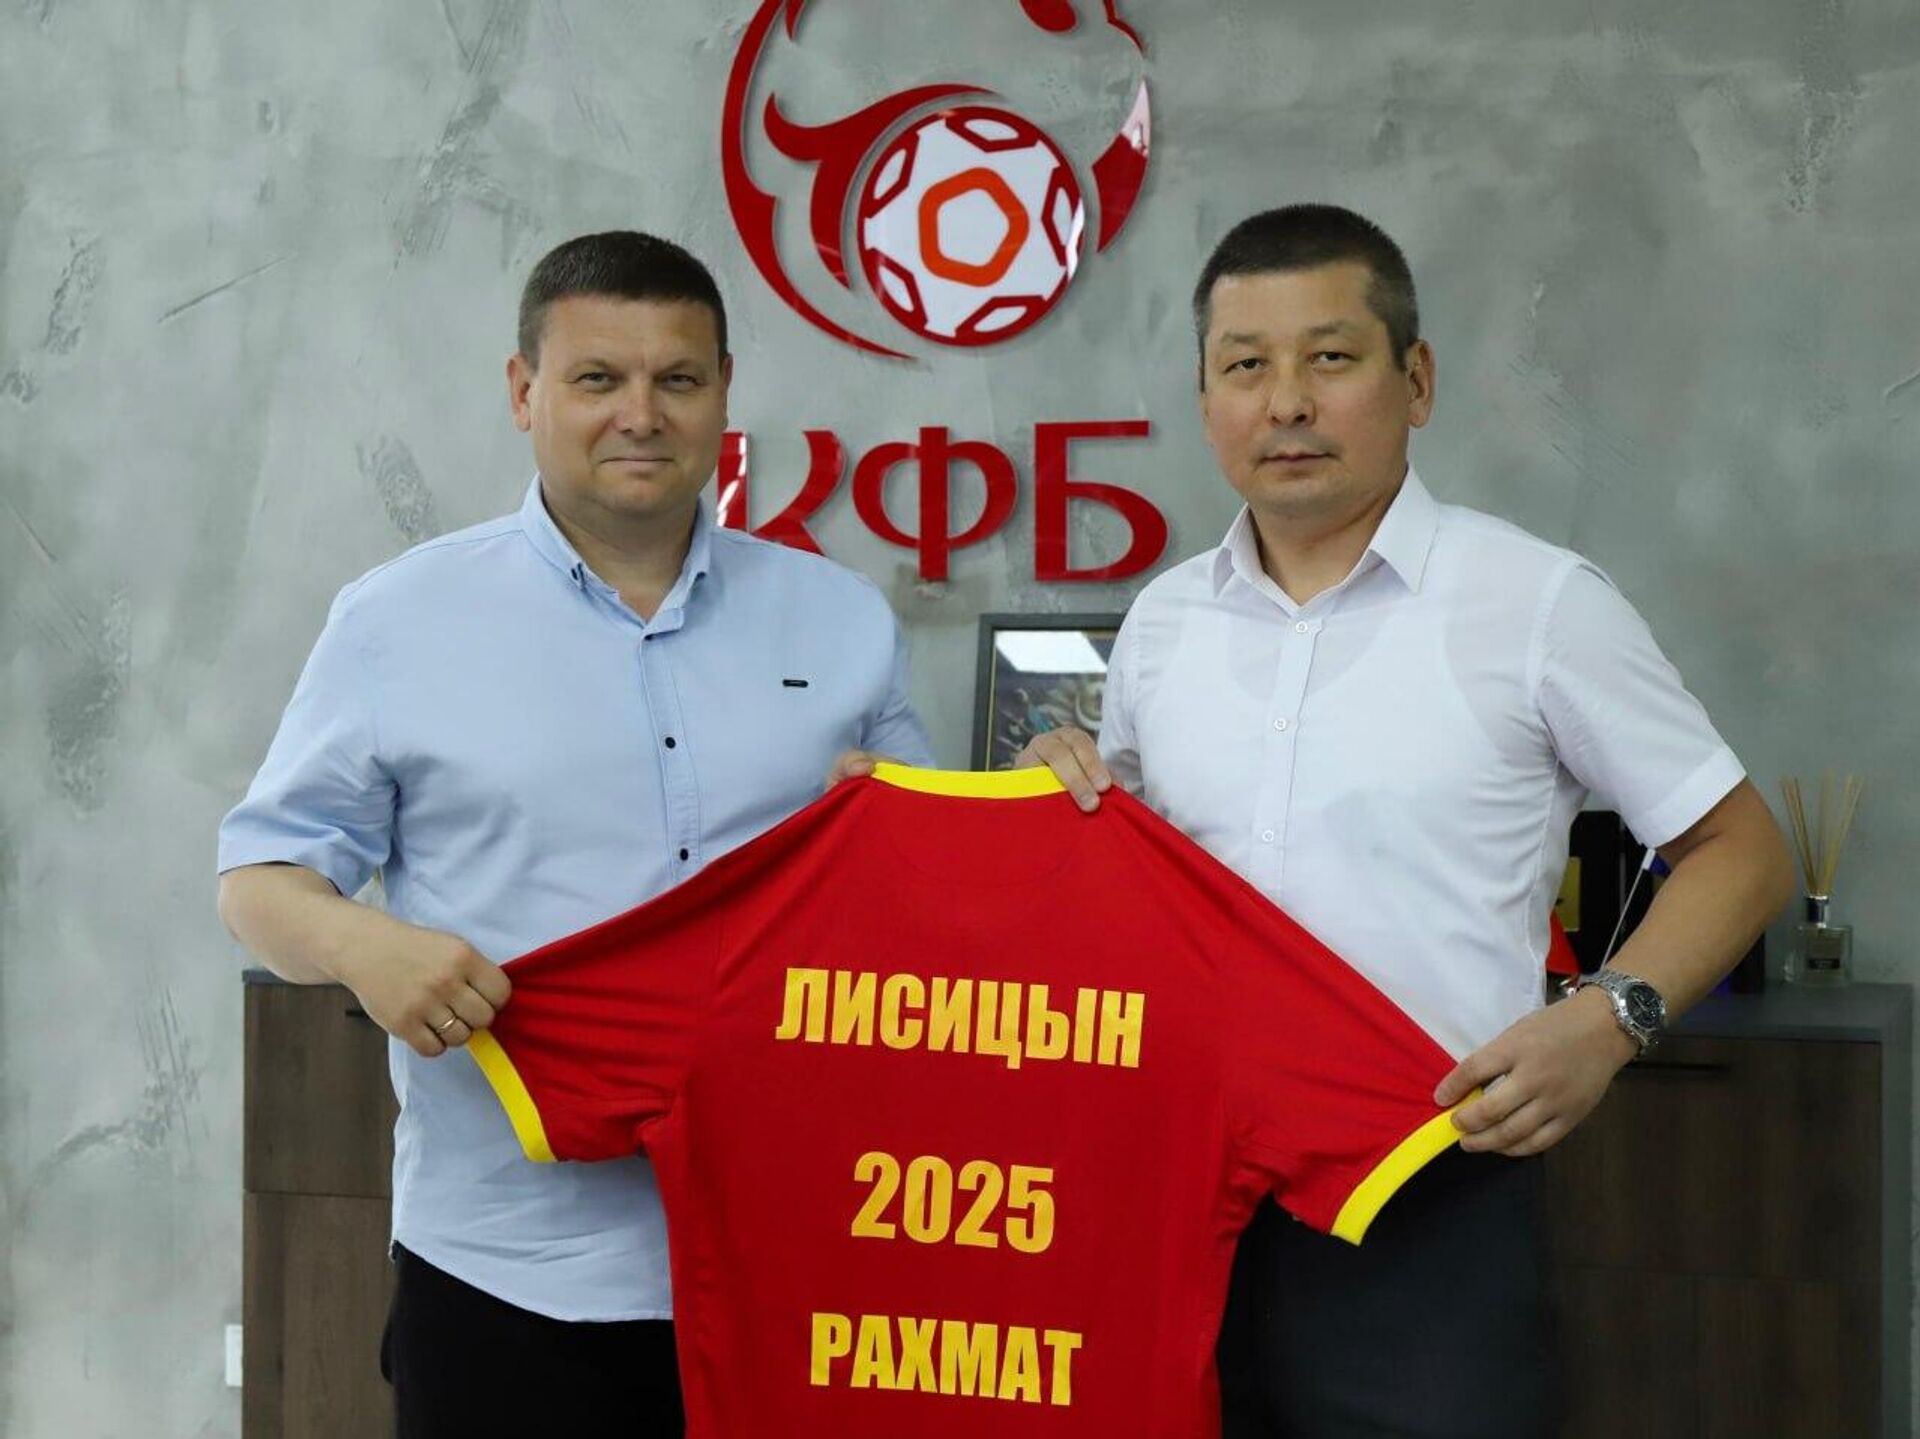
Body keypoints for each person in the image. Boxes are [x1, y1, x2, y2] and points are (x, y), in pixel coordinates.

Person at [1019, 203, 1794, 1438]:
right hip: (1179, 1195)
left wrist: (1608, 1020)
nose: (1287, 402)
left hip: (1428, 1185)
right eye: (1245, 365)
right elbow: (1124, 881)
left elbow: (1739, 849)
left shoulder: (1536, 602)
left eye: (1330, 357)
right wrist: (1038, 800)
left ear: (1415, 379)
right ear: (1206, 398)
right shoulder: (1163, 622)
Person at [216, 231, 932, 1437]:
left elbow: (936, 886)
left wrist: (1012, 812)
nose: (640, 414)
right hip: (503, 1272)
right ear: (523, 390)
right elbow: (259, 876)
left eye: (677, 379)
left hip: (798, 1253)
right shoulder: (398, 620)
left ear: (724, 392)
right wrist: (360, 944)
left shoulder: (841, 617)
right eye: (598, 377)